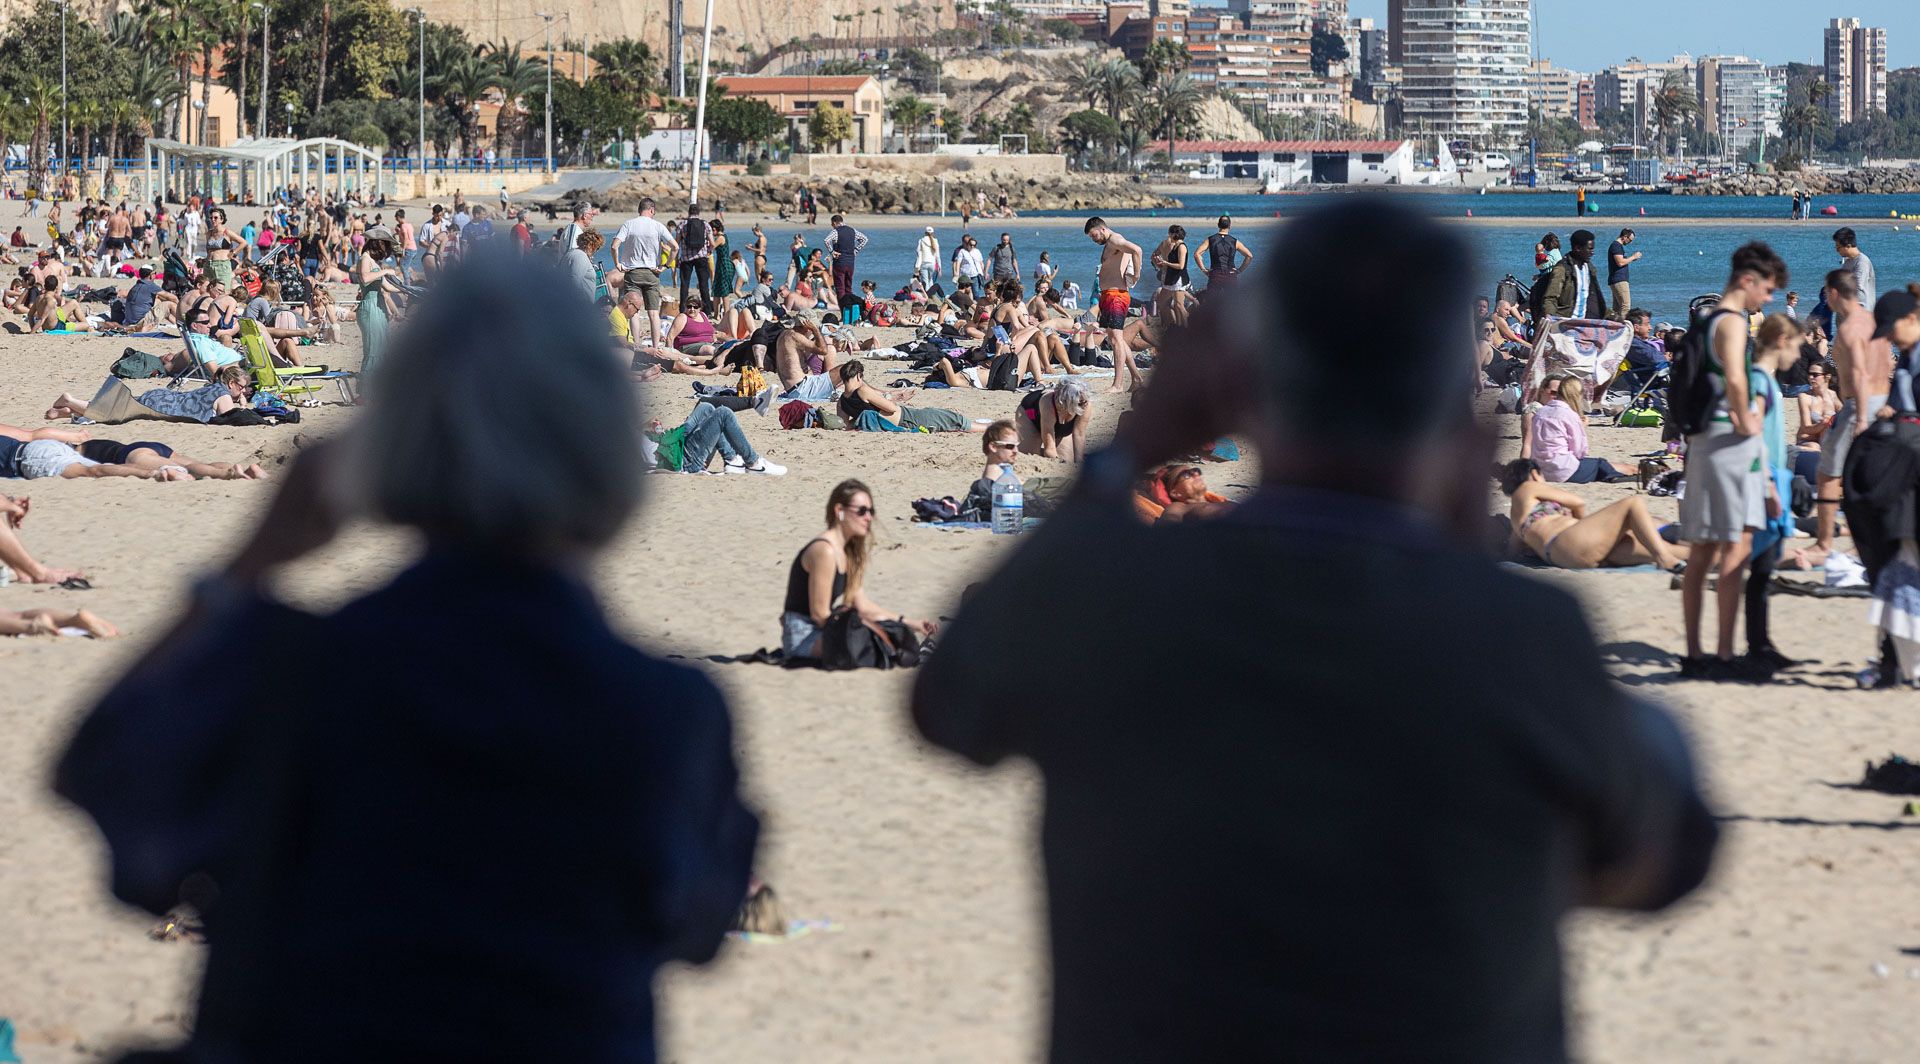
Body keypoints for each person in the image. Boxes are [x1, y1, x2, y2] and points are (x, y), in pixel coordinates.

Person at [911, 198, 1717, 1063]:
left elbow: (951, 703)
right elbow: (1663, 855)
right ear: (1456, 424)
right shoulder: (1520, 637)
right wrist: (1454, 550)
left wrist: (1135, 444)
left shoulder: (1118, 599)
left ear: (1241, 394)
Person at [54, 252, 759, 1062]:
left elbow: (101, 776)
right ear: (600, 448)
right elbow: (701, 927)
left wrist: (250, 565)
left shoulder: (299, 671)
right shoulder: (665, 713)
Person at [1679, 242, 1787, 680]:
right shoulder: (1733, 322)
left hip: (1705, 440)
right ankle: (1723, 654)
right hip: (1728, 440)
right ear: (1747, 280)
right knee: (1736, 547)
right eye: (1767, 289)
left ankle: (1695, 653)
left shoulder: (1706, 321)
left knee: (1703, 550)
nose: (1769, 299)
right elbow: (1738, 380)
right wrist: (1747, 422)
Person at [782, 479, 937, 660]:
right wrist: (868, 628)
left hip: (825, 629)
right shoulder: (825, 550)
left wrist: (909, 623)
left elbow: (863, 606)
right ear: (839, 511)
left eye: (871, 511)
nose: (868, 518)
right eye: (862, 511)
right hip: (803, 635)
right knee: (874, 645)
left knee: (888, 639)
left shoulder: (848, 552)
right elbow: (819, 614)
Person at [1807, 268, 1888, 569]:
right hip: (1884, 403)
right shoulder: (1874, 321)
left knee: (1828, 474)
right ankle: (1866, 543)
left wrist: (1862, 418)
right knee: (1870, 478)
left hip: (1860, 406)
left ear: (1835, 293)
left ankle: (1824, 543)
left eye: (1827, 293)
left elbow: (1859, 373)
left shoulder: (1851, 328)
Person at [1498, 459, 1687, 570]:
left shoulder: (1517, 517)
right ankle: (1665, 556)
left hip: (1562, 554)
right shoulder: (1527, 488)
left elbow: (1514, 552)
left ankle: (1710, 555)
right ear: (1533, 474)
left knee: (1639, 546)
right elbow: (1578, 502)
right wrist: (1581, 524)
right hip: (1568, 541)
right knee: (1633, 503)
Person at [1084, 216, 1145, 394]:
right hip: (1109, 295)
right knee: (1113, 338)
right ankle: (1136, 378)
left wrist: (1136, 275)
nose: (1093, 239)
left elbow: (1137, 250)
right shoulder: (1111, 243)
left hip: (1116, 296)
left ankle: (1118, 385)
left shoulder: (1115, 239)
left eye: (1093, 235)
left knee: (1117, 340)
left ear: (1102, 229)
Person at [645, 400, 787, 475]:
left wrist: (651, 429)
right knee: (723, 413)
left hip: (677, 446)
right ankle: (754, 463)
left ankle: (731, 460)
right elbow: (655, 458)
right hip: (683, 460)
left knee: (706, 407)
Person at [837, 360, 977, 432]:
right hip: (907, 418)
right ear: (858, 376)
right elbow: (891, 408)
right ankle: (990, 428)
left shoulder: (841, 401)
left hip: (904, 420)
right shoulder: (862, 390)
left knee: (948, 418)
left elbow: (845, 425)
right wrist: (892, 398)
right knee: (951, 419)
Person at [613, 198, 677, 349]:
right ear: (652, 210)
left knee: (634, 312)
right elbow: (675, 247)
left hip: (632, 272)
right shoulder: (657, 226)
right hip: (651, 272)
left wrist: (617, 264)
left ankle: (637, 346)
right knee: (654, 313)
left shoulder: (629, 224)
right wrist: (665, 266)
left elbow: (614, 246)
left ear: (639, 209)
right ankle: (655, 348)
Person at [354, 226, 404, 382]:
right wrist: (385, 272)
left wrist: (405, 289)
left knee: (381, 348)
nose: (386, 248)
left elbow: (386, 286)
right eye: (384, 244)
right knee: (372, 350)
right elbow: (365, 278)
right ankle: (364, 392)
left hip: (378, 307)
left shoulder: (373, 262)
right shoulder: (364, 259)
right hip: (369, 308)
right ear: (377, 243)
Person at [1015, 378, 1092, 461]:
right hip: (1030, 415)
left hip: (1060, 427)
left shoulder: (1085, 404)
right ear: (1066, 401)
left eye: (1083, 401)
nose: (1083, 405)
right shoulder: (1048, 403)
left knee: (1066, 459)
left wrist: (1079, 462)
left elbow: (1079, 434)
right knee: (1031, 456)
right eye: (1080, 403)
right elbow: (1049, 449)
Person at [1539, 229, 1607, 320]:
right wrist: (1550, 318)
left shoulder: (1590, 268)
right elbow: (1550, 298)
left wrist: (1613, 317)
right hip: (1565, 322)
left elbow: (1596, 299)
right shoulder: (1562, 269)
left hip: (1584, 322)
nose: (1592, 252)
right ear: (1578, 248)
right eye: (1589, 249)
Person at [1795, 358, 1839, 482]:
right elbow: (1806, 428)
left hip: (1825, 442)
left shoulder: (1833, 396)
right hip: (1807, 440)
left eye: (1815, 375)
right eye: (1809, 374)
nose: (1811, 378)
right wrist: (1824, 423)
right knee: (1816, 449)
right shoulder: (1805, 397)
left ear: (1827, 377)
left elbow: (1845, 414)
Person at [827, 213, 868, 324]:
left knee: (840, 289)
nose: (832, 226)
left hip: (839, 262)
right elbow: (864, 239)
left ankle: (843, 313)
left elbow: (826, 240)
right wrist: (855, 250)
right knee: (848, 288)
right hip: (850, 262)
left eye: (832, 224)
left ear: (835, 223)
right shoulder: (852, 230)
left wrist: (832, 252)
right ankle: (851, 314)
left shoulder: (836, 232)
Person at [1201, 215, 1252, 290]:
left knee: (1212, 300)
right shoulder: (1235, 241)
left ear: (1218, 225)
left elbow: (1197, 254)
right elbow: (1249, 256)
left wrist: (1204, 270)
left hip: (1215, 274)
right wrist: (1239, 270)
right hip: (1230, 274)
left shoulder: (1210, 240)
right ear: (1229, 226)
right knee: (1231, 300)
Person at [677, 204, 713, 305]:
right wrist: (709, 251)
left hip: (686, 258)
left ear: (689, 212)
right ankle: (707, 309)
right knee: (703, 284)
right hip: (701, 257)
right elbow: (712, 243)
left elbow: (677, 243)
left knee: (685, 284)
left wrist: (676, 258)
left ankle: (683, 308)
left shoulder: (682, 224)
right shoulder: (705, 224)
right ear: (699, 212)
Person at [1834, 226, 1876, 308]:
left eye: (1838, 247)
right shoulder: (1847, 261)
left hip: (1860, 314)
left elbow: (1858, 289)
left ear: (1848, 246)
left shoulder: (1862, 262)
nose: (1836, 250)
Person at [1605, 228, 1640, 322]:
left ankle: (1612, 326)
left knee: (1616, 309)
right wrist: (1633, 257)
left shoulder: (1617, 246)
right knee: (1625, 306)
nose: (1630, 242)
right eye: (1630, 240)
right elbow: (1620, 262)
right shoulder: (1616, 246)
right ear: (1625, 237)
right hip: (1619, 280)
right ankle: (1624, 329)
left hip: (1617, 279)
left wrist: (1631, 259)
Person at [565, 228, 602, 301]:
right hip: (579, 304)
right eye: (597, 248)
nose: (595, 251)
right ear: (590, 245)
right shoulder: (581, 256)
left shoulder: (571, 253)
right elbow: (574, 282)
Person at [951, 233, 985, 298]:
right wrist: (956, 274)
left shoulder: (977, 251)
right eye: (970, 245)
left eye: (974, 245)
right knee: (966, 291)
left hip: (975, 274)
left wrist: (983, 273)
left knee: (976, 292)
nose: (972, 246)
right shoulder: (960, 251)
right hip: (965, 274)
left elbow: (981, 262)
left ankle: (975, 305)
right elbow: (956, 263)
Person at [913, 226, 940, 290]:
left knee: (925, 281)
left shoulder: (921, 240)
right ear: (933, 233)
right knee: (930, 280)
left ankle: (927, 295)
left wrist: (917, 266)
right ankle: (932, 295)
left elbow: (919, 254)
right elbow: (938, 256)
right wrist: (939, 266)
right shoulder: (935, 241)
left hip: (924, 263)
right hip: (932, 264)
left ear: (925, 233)